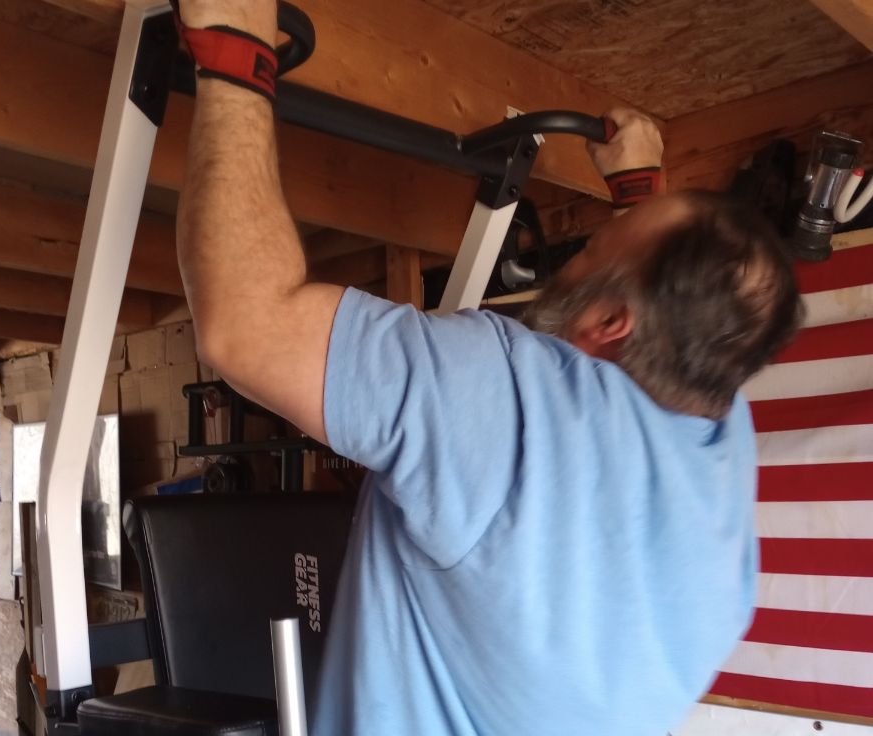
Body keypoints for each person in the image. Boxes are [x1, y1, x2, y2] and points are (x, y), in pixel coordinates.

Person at [174, 1, 804, 733]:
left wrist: (235, 52)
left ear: (610, 324)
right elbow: (699, 306)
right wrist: (641, 197)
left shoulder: (509, 401)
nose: (591, 241)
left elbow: (246, 324)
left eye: (605, 238)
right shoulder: (717, 433)